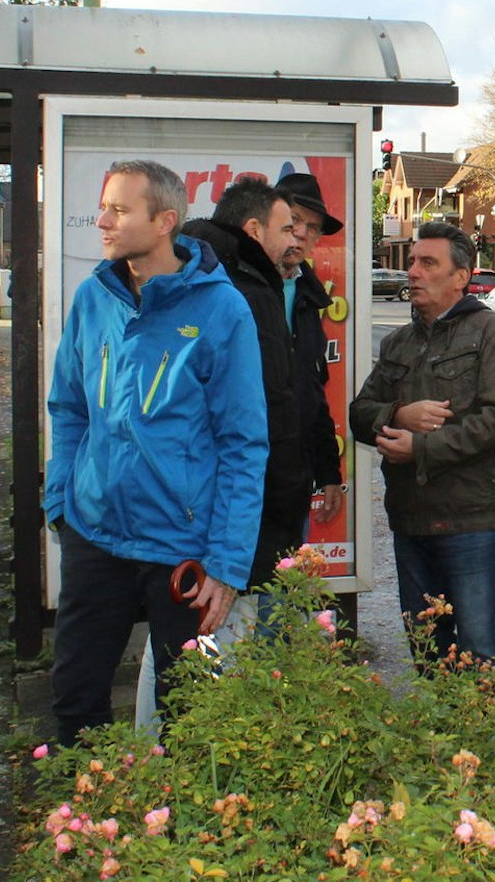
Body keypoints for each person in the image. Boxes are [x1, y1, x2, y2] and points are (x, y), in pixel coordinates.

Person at [44, 159, 265, 747]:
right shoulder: (95, 296)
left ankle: (174, 832)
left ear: (165, 220)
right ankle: (82, 830)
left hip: (179, 546)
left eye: (118, 209)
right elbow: (68, 407)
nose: (102, 220)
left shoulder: (222, 310)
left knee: (188, 716)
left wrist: (226, 563)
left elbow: (244, 444)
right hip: (94, 535)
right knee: (74, 702)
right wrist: (60, 503)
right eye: (103, 205)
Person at [125, 178, 308, 730]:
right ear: (253, 230)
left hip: (194, 513)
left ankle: (152, 767)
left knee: (179, 651)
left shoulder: (206, 277)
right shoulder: (242, 290)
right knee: (212, 654)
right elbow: (259, 425)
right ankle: (189, 780)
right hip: (225, 520)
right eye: (287, 227)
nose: (297, 237)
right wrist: (267, 522)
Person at [349, 222, 495, 661]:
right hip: (412, 521)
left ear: (461, 277)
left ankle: (489, 732)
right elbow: (358, 413)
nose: (413, 272)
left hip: (475, 522)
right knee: (428, 651)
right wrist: (397, 415)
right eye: (412, 262)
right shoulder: (398, 342)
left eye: (428, 263)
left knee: (482, 650)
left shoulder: (493, 333)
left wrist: (421, 448)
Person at [273, 173, 347, 530]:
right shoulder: (232, 289)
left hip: (290, 492)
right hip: (231, 492)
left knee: (286, 586)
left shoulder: (306, 298)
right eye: (294, 220)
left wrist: (327, 473)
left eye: (312, 227)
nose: (301, 232)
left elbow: (311, 393)